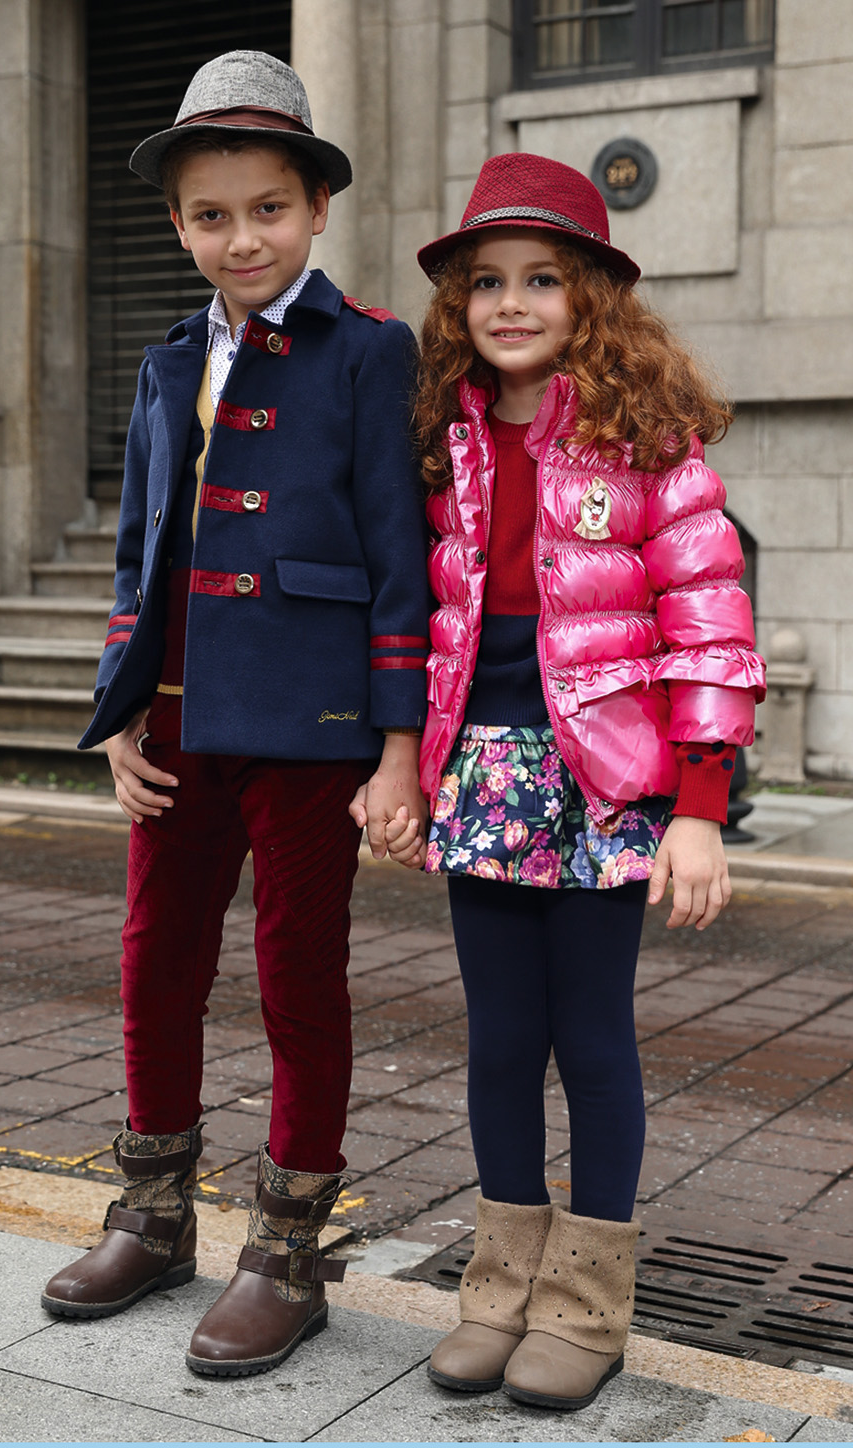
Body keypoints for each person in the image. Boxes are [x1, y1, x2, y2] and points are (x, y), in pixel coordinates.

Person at [40, 50, 429, 1378]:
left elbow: (400, 556)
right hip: (176, 726)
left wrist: (396, 748)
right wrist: (119, 717)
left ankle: (288, 1251)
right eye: (212, 215)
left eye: (268, 208)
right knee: (154, 964)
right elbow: (138, 557)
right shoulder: (166, 362)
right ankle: (152, 1217)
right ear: (177, 224)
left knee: (296, 976)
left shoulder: (370, 351)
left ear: (316, 208)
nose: (242, 237)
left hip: (312, 730)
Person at [386, 152, 765, 1412]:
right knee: (500, 1038)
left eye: (541, 278)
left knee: (590, 1038)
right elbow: (423, 624)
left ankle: (588, 1303)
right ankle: (499, 1286)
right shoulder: (442, 438)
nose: (510, 302)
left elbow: (709, 626)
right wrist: (406, 764)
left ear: (590, 296)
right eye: (486, 280)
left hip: (609, 785)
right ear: (458, 304)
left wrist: (698, 810)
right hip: (484, 772)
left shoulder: (647, 441)